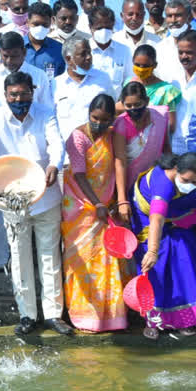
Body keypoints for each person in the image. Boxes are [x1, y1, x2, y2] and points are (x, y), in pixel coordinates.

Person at [0, 71, 71, 336]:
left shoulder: (45, 112)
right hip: (12, 196)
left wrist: (54, 164)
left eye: (24, 94)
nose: (19, 99)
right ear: (5, 95)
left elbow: (56, 143)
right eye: (13, 95)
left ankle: (53, 314)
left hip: (45, 194)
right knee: (18, 257)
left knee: (49, 255)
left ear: (33, 92)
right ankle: (27, 314)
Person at [130, 152, 196, 339]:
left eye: (195, 183)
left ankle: (185, 320)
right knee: (155, 268)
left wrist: (185, 219)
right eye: (185, 180)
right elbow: (157, 218)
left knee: (185, 261)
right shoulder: (163, 184)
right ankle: (153, 321)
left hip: (179, 219)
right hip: (149, 221)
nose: (190, 187)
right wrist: (152, 251)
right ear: (176, 170)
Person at [62, 94, 128, 331]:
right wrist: (97, 204)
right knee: (81, 258)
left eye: (105, 120)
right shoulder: (78, 137)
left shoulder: (112, 135)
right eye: (94, 118)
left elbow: (119, 165)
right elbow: (79, 175)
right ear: (88, 114)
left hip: (104, 205)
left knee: (105, 258)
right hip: (80, 206)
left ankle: (109, 315)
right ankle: (83, 314)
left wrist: (115, 202)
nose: (99, 124)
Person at [114, 81, 170, 196]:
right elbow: (121, 162)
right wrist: (122, 198)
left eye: (137, 104)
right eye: (128, 106)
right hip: (128, 181)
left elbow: (166, 147)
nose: (133, 109)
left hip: (154, 179)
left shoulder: (160, 117)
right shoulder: (121, 124)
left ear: (147, 101)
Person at [54, 37, 116, 140]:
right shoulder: (56, 84)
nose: (88, 57)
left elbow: (111, 109)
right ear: (69, 59)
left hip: (98, 147)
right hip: (66, 148)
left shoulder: (103, 78)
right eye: (83, 54)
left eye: (89, 53)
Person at [0, 32, 54, 112]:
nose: (9, 61)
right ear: (0, 52)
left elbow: (46, 108)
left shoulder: (39, 75)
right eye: (5, 56)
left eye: (14, 56)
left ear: (24, 52)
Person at [154, 0, 196, 84]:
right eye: (169, 16)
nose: (173, 20)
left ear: (190, 17)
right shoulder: (160, 48)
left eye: (178, 15)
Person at [118, 44, 181, 132]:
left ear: (155, 65)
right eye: (137, 65)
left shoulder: (167, 91)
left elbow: (171, 126)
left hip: (154, 139)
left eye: (145, 66)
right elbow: (120, 108)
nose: (141, 69)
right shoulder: (129, 82)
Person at [88, 6, 133, 88]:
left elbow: (128, 80)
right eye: (99, 28)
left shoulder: (124, 51)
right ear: (90, 27)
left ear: (113, 26)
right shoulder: (83, 52)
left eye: (108, 28)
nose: (104, 31)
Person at [24, 2, 65, 77]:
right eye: (36, 24)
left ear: (51, 22)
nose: (40, 28)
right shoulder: (17, 47)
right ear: (28, 22)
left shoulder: (59, 49)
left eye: (45, 24)